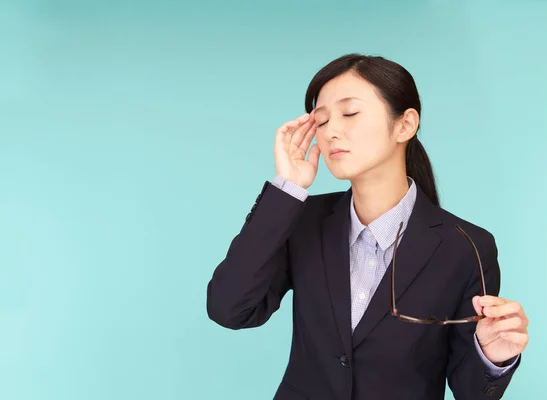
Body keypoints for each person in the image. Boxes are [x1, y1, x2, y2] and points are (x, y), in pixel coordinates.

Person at [206, 53, 529, 400]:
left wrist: (493, 356)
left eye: (350, 113)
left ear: (405, 124)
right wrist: (288, 189)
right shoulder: (303, 220)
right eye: (322, 120)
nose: (331, 132)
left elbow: (472, 391)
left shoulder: (465, 246)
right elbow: (229, 308)